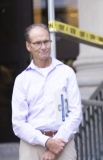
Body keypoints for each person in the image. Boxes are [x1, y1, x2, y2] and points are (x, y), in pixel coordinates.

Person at [12, 24, 82, 160]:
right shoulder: (22, 80)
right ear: (28, 46)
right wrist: (47, 142)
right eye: (37, 43)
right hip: (31, 146)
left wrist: (56, 144)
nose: (43, 47)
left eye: (46, 41)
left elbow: (76, 113)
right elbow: (18, 123)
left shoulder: (66, 72)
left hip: (63, 142)